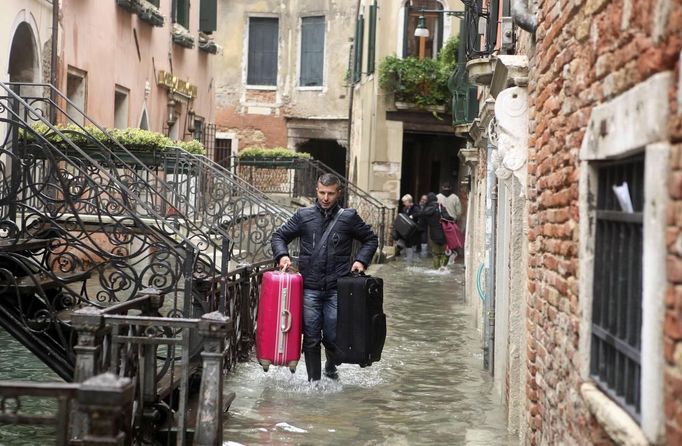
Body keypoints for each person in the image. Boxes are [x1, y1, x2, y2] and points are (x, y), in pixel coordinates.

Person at [271, 173, 379, 382]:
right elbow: (279, 236)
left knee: (332, 336)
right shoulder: (303, 215)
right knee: (311, 338)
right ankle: (314, 383)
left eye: (330, 193)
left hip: (337, 288)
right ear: (316, 191)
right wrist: (282, 256)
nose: (325, 198)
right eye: (322, 192)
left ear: (338, 193)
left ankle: (330, 368)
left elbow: (370, 239)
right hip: (309, 287)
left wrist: (361, 261)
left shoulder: (348, 217)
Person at [415, 192, 453, 269]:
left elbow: (421, 216)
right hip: (443, 233)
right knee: (444, 252)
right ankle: (443, 267)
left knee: (436, 254)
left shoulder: (426, 209)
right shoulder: (440, 207)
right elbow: (449, 218)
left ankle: (437, 269)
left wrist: (413, 215)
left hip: (433, 234)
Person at [392, 194, 419, 262]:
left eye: (404, 202)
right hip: (404, 230)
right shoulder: (404, 208)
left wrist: (412, 216)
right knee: (400, 244)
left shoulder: (415, 208)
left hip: (412, 230)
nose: (403, 204)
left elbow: (420, 213)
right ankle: (405, 258)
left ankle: (409, 261)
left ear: (409, 201)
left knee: (409, 244)